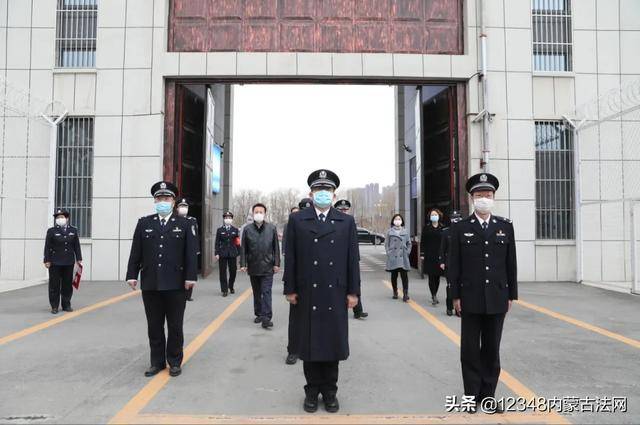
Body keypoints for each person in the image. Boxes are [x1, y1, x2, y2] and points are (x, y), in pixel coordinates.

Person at [284, 169, 360, 414]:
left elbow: (352, 260)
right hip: (308, 291)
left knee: (332, 344)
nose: (323, 194)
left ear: (334, 193)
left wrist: (353, 292)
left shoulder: (346, 221)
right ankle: (311, 391)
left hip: (335, 292)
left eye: (327, 190)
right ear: (311, 193)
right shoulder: (298, 220)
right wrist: (290, 289)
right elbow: (291, 258)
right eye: (319, 190)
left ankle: (330, 392)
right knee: (309, 344)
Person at [448, 173, 518, 414]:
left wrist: (512, 295)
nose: (484, 199)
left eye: (488, 195)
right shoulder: (460, 228)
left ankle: (488, 395)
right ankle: (470, 396)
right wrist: (455, 297)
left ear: (494, 198)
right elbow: (454, 265)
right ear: (472, 199)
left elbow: (511, 264)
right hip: (470, 298)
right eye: (479, 195)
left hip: (498, 297)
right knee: (469, 350)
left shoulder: (505, 227)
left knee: (491, 350)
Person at [126, 181, 198, 378]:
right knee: (154, 325)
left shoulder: (185, 224)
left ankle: (174, 361)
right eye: (159, 199)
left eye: (166, 198)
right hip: (151, 282)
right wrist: (132, 274)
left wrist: (191, 277)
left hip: (176, 283)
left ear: (173, 202)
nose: (162, 202)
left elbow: (191, 253)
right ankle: (156, 362)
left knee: (175, 325)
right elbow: (136, 252)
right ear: (154, 201)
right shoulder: (144, 223)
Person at [240, 203, 280, 329]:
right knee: (257, 292)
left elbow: (276, 248)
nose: (258, 214)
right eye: (256, 212)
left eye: (260, 212)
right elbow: (243, 248)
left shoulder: (271, 228)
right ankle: (259, 313)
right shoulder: (247, 229)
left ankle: (266, 317)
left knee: (266, 291)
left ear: (265, 213)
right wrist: (243, 264)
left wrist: (276, 264)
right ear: (252, 213)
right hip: (253, 266)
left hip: (268, 266)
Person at [334, 199, 368, 319]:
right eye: (341, 209)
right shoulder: (332, 222)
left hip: (350, 258)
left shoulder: (350, 221)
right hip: (335, 260)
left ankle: (358, 310)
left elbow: (354, 242)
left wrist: (355, 257)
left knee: (354, 283)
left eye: (345, 210)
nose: (344, 211)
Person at [43, 209, 82, 314]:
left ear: (67, 218)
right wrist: (46, 260)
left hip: (68, 262)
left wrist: (79, 259)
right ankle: (54, 306)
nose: (60, 219)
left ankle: (66, 305)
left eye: (62, 217)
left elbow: (76, 246)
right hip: (55, 262)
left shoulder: (73, 230)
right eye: (58, 217)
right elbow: (47, 247)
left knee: (67, 285)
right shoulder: (51, 231)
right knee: (54, 285)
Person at [283, 205, 300, 365]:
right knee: (295, 319)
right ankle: (293, 350)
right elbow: (290, 257)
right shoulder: (292, 224)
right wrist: (289, 288)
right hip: (299, 281)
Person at [439, 210, 463, 316]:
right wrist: (442, 262)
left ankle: (459, 309)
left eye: (457, 218)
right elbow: (442, 249)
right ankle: (449, 307)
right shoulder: (446, 232)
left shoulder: (465, 231)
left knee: (461, 286)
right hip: (450, 264)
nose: (455, 220)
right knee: (450, 286)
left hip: (463, 263)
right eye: (453, 218)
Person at [176, 198, 199, 301]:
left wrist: (196, 249)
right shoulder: (174, 219)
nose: (183, 208)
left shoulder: (192, 220)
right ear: (177, 208)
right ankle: (178, 291)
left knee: (189, 271)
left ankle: (188, 295)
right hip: (178, 250)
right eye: (181, 206)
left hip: (190, 250)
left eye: (185, 206)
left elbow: (195, 236)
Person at [420, 208, 445, 306]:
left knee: (437, 277)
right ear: (430, 217)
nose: (434, 216)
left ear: (439, 216)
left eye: (435, 214)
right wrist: (422, 254)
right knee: (431, 276)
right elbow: (423, 241)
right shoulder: (426, 228)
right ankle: (433, 295)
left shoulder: (443, 228)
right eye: (432, 215)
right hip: (429, 254)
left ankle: (435, 293)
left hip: (439, 255)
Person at [385, 213, 411, 302]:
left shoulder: (405, 231)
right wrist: (389, 253)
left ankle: (405, 294)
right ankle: (395, 292)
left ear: (402, 221)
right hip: (393, 255)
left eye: (399, 219)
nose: (397, 220)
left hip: (403, 256)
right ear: (393, 221)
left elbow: (409, 243)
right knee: (394, 275)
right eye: (396, 219)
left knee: (404, 276)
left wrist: (407, 252)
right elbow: (386, 244)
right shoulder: (389, 231)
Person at [215, 211, 240, 297]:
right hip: (222, 253)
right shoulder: (220, 230)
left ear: (232, 219)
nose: (227, 219)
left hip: (232, 253)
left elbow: (237, 242)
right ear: (224, 219)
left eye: (229, 218)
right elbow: (217, 242)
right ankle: (224, 289)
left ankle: (231, 286)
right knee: (222, 272)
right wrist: (216, 253)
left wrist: (239, 253)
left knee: (233, 271)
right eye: (226, 218)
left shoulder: (235, 230)